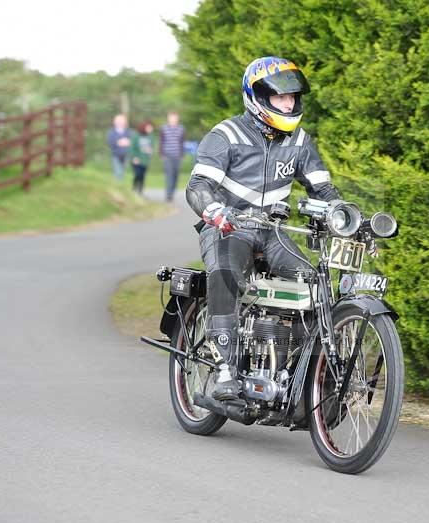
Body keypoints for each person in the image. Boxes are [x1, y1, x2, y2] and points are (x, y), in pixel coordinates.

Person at [186, 56, 341, 401]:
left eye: (292, 98)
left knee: (313, 286)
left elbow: (324, 190)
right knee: (224, 275)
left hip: (272, 233)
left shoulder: (300, 142)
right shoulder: (225, 135)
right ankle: (224, 370)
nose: (288, 104)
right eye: (280, 98)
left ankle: (301, 376)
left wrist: (344, 213)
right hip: (229, 228)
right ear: (257, 97)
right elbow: (197, 187)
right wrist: (215, 211)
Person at [159, 111, 186, 202]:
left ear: (177, 119)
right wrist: (161, 154)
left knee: (175, 175)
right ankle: (168, 194)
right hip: (167, 155)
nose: (173, 120)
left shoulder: (181, 128)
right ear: (168, 118)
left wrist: (182, 154)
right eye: (171, 118)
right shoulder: (164, 128)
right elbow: (161, 141)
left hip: (177, 155)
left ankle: (172, 192)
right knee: (169, 175)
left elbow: (182, 142)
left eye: (175, 118)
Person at [130, 120, 154, 195]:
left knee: (142, 176)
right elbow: (132, 148)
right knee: (137, 174)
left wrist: (150, 151)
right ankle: (134, 188)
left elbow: (152, 147)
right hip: (136, 159)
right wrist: (134, 157)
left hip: (145, 160)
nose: (151, 129)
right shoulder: (136, 136)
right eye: (149, 127)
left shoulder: (150, 137)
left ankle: (140, 191)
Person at [107, 114, 132, 179]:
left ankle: (120, 185)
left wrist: (128, 142)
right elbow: (110, 142)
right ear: (114, 122)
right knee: (117, 171)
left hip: (126, 154)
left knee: (122, 171)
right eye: (118, 121)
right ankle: (116, 185)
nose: (120, 122)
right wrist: (119, 142)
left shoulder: (129, 131)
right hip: (115, 155)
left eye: (122, 121)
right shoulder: (111, 132)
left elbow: (132, 141)